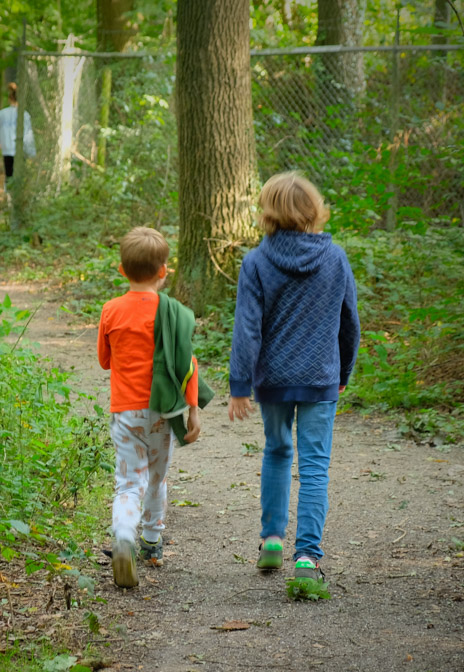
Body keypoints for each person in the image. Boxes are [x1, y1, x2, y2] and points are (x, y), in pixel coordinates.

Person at [227, 172, 361, 586]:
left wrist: (240, 385)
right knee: (315, 464)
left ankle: (271, 541)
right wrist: (344, 371)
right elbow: (349, 321)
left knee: (278, 451)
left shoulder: (257, 261)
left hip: (274, 379)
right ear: (314, 210)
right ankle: (307, 559)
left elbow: (247, 328)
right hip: (321, 376)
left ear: (268, 212)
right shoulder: (335, 258)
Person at [98, 227, 213, 588]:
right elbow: (186, 364)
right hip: (162, 414)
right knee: (157, 478)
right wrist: (193, 410)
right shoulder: (175, 313)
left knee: (129, 482)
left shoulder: (111, 310)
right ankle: (151, 540)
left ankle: (124, 536)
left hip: (125, 413)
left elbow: (104, 361)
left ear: (122, 270)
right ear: (164, 271)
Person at [0, 82, 36, 180]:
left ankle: (9, 194)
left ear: (9, 98)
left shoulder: (2, 114)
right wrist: (31, 152)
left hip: (7, 150)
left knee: (9, 176)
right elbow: (28, 136)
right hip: (20, 151)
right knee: (19, 177)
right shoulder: (25, 114)